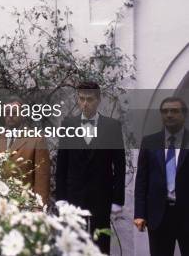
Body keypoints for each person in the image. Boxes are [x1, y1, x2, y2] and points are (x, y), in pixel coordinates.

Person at [55, 81, 125, 254]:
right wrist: (61, 197)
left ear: (98, 100)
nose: (85, 103)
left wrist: (117, 199)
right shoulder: (68, 125)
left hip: (101, 196)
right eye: (81, 99)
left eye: (90, 99)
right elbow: (62, 163)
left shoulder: (112, 126)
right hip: (74, 196)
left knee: (101, 245)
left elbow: (120, 165)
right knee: (73, 245)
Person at [134, 96, 189, 256]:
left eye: (174, 111)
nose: (169, 115)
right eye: (165, 111)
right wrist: (139, 213)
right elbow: (142, 180)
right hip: (158, 216)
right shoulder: (149, 141)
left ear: (184, 115)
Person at [0, 96, 51, 206]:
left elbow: (42, 178)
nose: (10, 116)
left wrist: (39, 208)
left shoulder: (36, 139)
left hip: (23, 204)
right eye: (7, 112)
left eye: (15, 112)